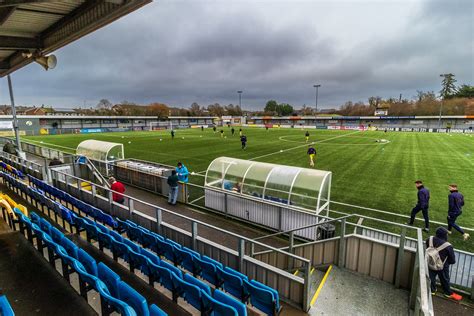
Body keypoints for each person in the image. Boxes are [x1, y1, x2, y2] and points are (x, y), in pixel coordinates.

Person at [426, 227, 462, 301]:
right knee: (445, 279)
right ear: (444, 235)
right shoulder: (448, 246)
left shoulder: (430, 239)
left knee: (430, 277)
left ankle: (432, 290)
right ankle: (447, 293)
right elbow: (452, 260)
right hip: (442, 265)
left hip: (430, 262)